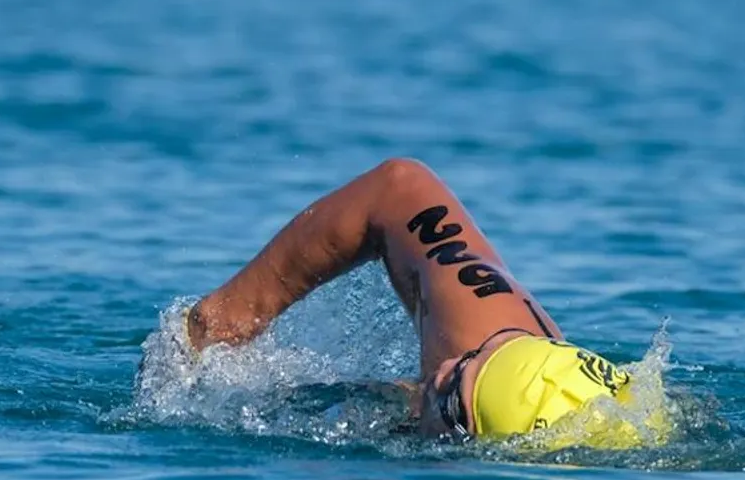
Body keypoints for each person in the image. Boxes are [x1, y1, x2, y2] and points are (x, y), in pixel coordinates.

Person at [185, 158, 662, 446]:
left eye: (454, 393)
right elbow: (398, 184)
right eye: (466, 363)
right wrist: (232, 314)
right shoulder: (477, 322)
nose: (442, 373)